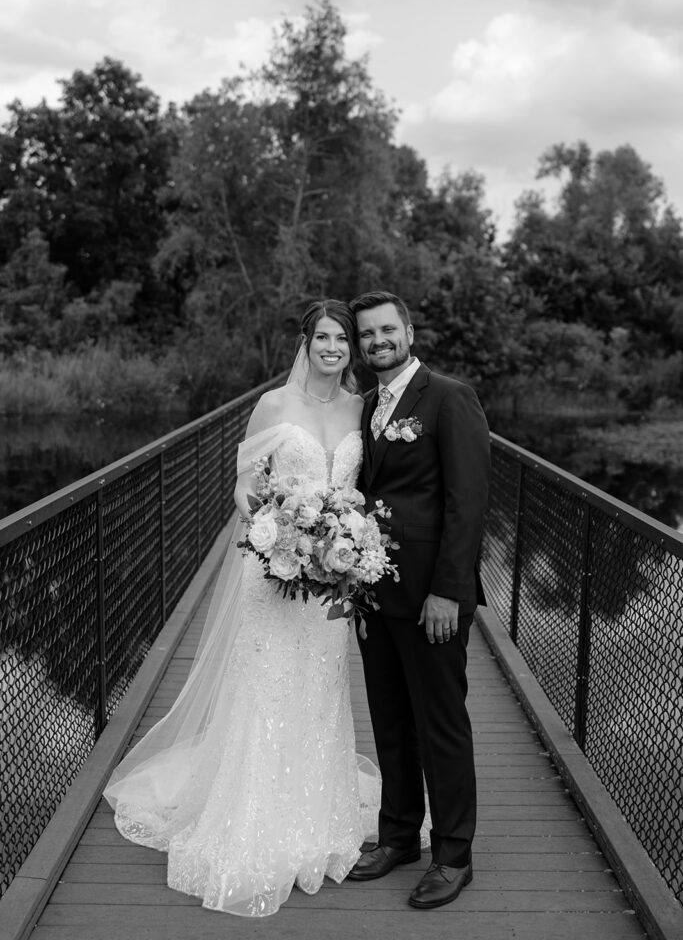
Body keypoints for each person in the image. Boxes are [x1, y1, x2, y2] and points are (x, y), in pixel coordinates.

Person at [104, 299, 379, 917]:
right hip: (278, 575)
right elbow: (243, 486)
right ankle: (253, 812)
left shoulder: (361, 408)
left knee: (319, 690)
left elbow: (360, 491)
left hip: (331, 585)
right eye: (324, 337)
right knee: (268, 689)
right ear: (306, 344)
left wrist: (346, 543)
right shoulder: (274, 406)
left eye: (343, 339)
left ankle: (319, 810)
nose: (334, 348)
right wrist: (276, 530)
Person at [347, 290, 490, 909]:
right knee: (391, 720)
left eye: (386, 330)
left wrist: (447, 593)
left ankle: (453, 854)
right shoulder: (370, 405)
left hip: (432, 597)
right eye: (367, 335)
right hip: (374, 595)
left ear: (408, 330)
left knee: (441, 726)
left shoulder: (449, 397)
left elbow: (467, 504)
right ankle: (399, 835)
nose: (377, 342)